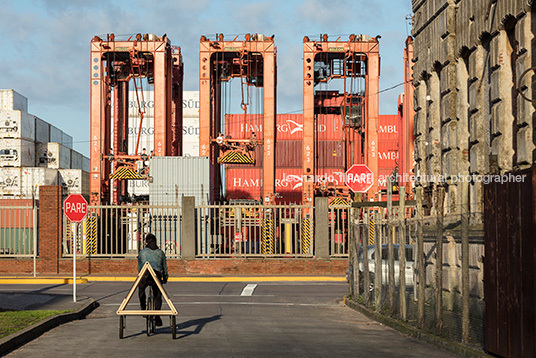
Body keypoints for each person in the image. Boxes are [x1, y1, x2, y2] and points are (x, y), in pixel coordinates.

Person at [137, 233, 168, 326]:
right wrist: (165, 278)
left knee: (141, 288)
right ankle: (157, 316)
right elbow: (164, 267)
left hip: (145, 275)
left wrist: (140, 275)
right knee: (158, 295)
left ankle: (143, 308)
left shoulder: (142, 252)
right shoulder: (160, 252)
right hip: (156, 275)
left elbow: (139, 267)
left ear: (146, 242)